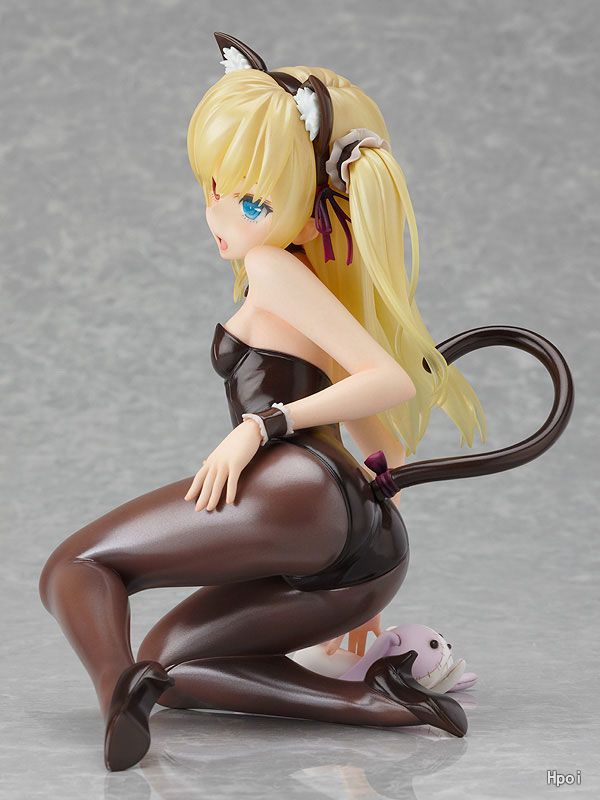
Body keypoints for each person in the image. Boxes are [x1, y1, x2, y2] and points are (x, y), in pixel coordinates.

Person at [38, 31, 510, 772]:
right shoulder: (307, 283)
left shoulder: (272, 266)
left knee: (76, 565)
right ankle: (378, 703)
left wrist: (262, 427)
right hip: (359, 549)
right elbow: (382, 446)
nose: (218, 214)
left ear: (308, 205)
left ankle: (113, 691)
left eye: (248, 200)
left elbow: (385, 379)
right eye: (213, 188)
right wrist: (373, 496)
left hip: (299, 490)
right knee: (172, 665)